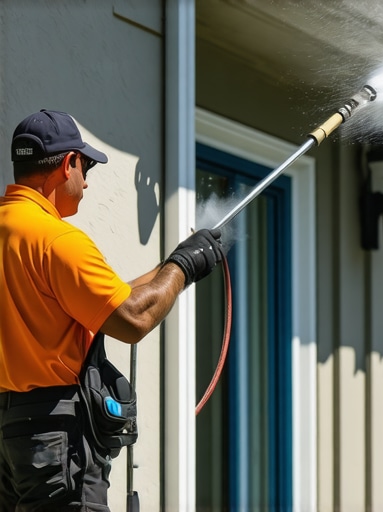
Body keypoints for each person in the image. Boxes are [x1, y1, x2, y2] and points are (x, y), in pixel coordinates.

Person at [0, 109, 223, 511]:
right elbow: (133, 319)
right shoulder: (58, 240)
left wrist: (173, 266)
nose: (85, 182)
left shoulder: (13, 231)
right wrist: (184, 267)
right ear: (68, 164)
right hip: (55, 437)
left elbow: (108, 300)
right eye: (85, 168)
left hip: (9, 434)